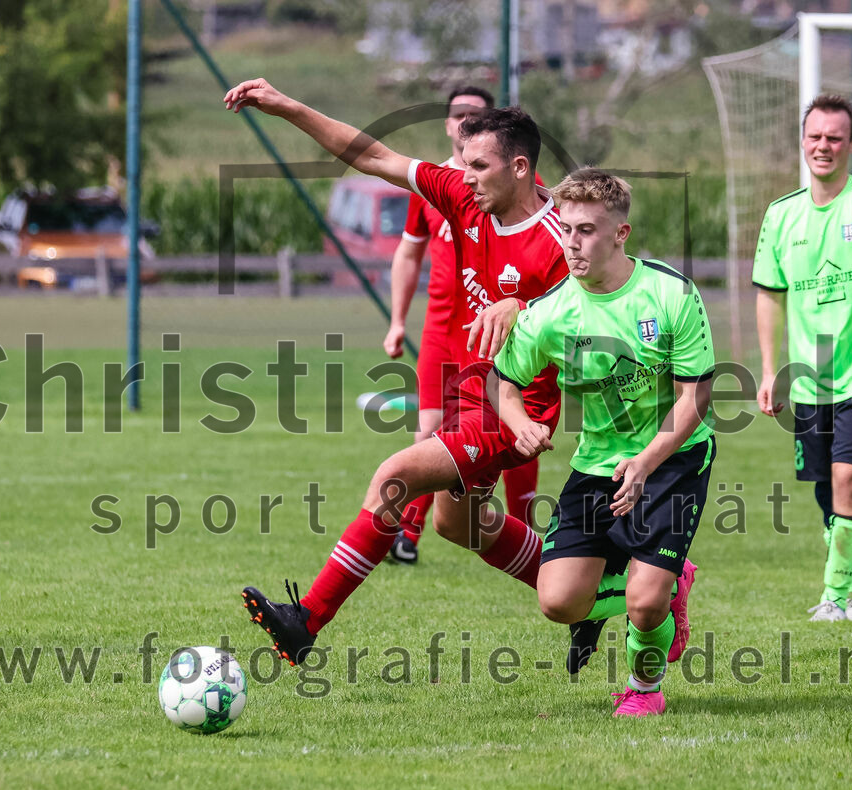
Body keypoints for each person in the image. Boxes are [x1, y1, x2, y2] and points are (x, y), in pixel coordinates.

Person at [223, 78, 569, 667]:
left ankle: (306, 621)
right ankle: (594, 596)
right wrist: (287, 105)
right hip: (469, 391)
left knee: (395, 476)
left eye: (479, 165)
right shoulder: (463, 194)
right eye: (463, 162)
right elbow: (370, 154)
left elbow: (607, 305)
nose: (466, 174)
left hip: (516, 409)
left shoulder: (559, 240)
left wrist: (533, 308)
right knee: (461, 526)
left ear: (518, 168)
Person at [489, 168, 714, 716]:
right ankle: (665, 585)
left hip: (673, 459)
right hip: (597, 465)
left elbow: (695, 399)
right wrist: (517, 421)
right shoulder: (550, 312)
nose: (572, 242)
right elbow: (502, 379)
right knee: (559, 601)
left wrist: (646, 460)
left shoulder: (671, 295)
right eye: (566, 229)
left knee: (643, 603)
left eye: (586, 230)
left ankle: (644, 687)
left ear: (621, 233)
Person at [754, 93, 852, 622]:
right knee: (828, 490)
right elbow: (769, 295)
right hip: (809, 380)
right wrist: (771, 367)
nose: (824, 146)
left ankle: (833, 597)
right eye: (815, 136)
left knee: (849, 480)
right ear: (803, 142)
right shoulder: (780, 215)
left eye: (835, 138)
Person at [383, 86, 542, 564]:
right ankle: (407, 535)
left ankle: (527, 532)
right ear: (448, 124)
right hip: (442, 326)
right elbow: (409, 252)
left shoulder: (510, 189)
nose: (463, 120)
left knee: (515, 430)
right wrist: (396, 320)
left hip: (496, 331)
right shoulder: (437, 186)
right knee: (429, 428)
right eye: (457, 114)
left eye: (474, 113)